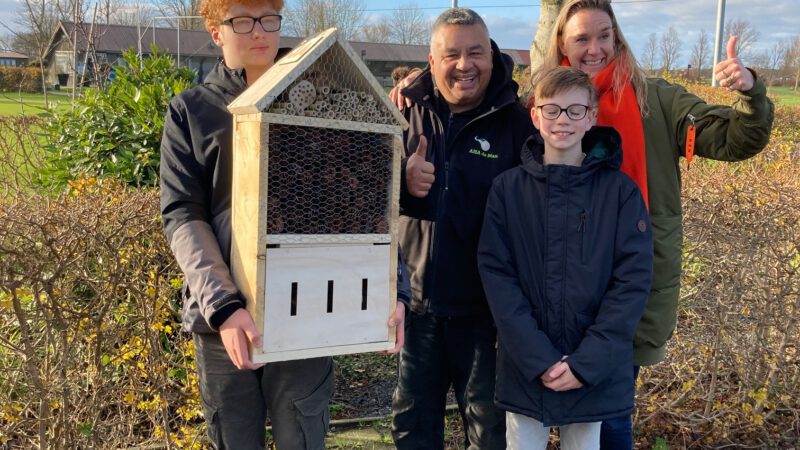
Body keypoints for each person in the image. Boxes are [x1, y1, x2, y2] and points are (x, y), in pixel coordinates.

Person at [159, 0, 409, 448]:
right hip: (224, 324)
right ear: (217, 31)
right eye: (242, 21)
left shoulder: (322, 103)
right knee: (234, 436)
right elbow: (182, 214)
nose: (260, 32)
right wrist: (223, 305)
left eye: (269, 20)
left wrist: (396, 291)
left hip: (308, 311)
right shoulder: (191, 112)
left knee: (303, 435)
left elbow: (371, 201)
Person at [539, 0, 775, 447]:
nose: (595, 49)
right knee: (549, 416)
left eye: (604, 35)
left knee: (610, 413)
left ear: (617, 36)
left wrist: (749, 94)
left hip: (628, 281)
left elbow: (734, 138)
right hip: (559, 280)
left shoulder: (657, 100)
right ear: (562, 44)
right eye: (582, 38)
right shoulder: (541, 104)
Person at [477, 65, 653, 450]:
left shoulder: (620, 192)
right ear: (535, 114)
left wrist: (586, 363)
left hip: (592, 367)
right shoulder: (507, 191)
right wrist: (538, 358)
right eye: (552, 110)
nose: (563, 120)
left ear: (592, 116)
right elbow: (497, 276)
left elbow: (632, 281)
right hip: (526, 366)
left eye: (575, 111)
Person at [391, 7, 536, 449]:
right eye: (451, 54)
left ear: (492, 56)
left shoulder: (519, 123)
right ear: (432, 62)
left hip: (486, 313)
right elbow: (357, 193)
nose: (464, 64)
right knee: (413, 428)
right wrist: (401, 181)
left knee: (488, 432)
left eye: (476, 52)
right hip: (416, 306)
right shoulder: (402, 114)